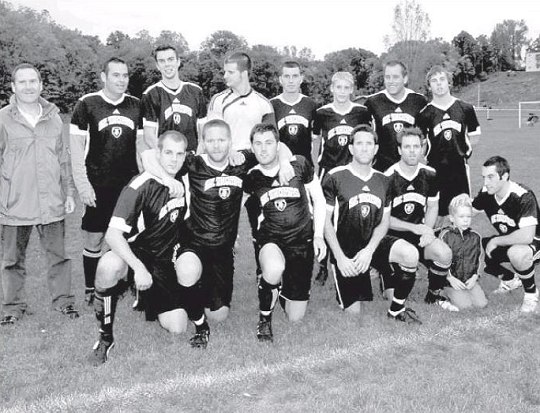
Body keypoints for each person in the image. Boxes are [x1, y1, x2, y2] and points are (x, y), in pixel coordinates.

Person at [141, 119, 293, 325]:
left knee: (218, 316)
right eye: (211, 140)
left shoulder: (241, 161)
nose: (216, 145)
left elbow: (281, 146)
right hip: (194, 244)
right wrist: (166, 179)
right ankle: (170, 295)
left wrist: (284, 164)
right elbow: (147, 155)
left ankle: (194, 294)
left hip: (223, 249)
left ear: (230, 142)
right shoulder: (194, 163)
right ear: (203, 142)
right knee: (186, 278)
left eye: (221, 140)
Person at [89, 131, 205, 365]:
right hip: (137, 253)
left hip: (164, 258)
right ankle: (105, 336)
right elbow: (112, 235)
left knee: (178, 327)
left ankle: (144, 295)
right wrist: (139, 268)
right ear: (159, 153)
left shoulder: (184, 173)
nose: (174, 159)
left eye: (179, 154)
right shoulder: (139, 186)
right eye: (168, 153)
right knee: (109, 266)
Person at [0, 63, 78, 325]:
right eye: (22, 82)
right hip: (14, 203)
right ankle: (12, 307)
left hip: (51, 202)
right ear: (13, 87)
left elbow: (63, 160)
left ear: (41, 85)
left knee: (59, 256)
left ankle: (64, 302)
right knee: (12, 260)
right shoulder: (3, 119)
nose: (28, 86)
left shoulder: (54, 118)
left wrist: (68, 192)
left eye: (33, 81)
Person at [322, 124, 421, 323]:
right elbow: (325, 222)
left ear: (376, 149)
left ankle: (396, 310)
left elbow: (384, 222)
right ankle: (350, 280)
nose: (364, 148)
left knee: (411, 254)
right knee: (354, 313)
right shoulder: (334, 177)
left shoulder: (384, 180)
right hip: (346, 249)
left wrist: (369, 250)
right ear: (351, 148)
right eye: (359, 143)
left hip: (372, 245)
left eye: (369, 144)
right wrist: (340, 258)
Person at [244, 124, 326, 342]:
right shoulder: (250, 177)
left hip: (301, 242)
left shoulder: (299, 165)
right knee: (274, 267)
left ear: (278, 145)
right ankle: (264, 319)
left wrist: (318, 235)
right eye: (258, 144)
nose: (263, 149)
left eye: (269, 143)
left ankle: (276, 286)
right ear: (251, 147)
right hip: (271, 240)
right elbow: (233, 208)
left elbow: (318, 200)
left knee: (295, 317)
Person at [70, 57, 141, 306]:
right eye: (116, 75)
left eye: (125, 75)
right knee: (94, 239)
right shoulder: (87, 104)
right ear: (103, 76)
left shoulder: (135, 105)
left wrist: (143, 183)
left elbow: (140, 147)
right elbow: (76, 151)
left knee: (126, 238)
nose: (121, 80)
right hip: (97, 186)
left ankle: (122, 284)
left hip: (127, 188)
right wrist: (83, 185)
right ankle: (92, 288)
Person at [383, 127, 456, 311]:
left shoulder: (430, 174)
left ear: (422, 148)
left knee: (444, 254)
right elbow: (383, 220)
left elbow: (432, 206)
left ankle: (433, 294)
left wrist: (428, 230)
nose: (412, 151)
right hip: (391, 237)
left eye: (416, 146)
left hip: (418, 232)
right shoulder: (386, 178)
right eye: (407, 147)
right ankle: (388, 273)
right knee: (391, 295)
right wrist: (414, 228)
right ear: (399, 150)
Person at [312, 71, 371, 285]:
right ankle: (323, 264)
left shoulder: (361, 112)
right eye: (339, 87)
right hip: (327, 172)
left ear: (352, 89)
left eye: (347, 88)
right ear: (331, 88)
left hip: (351, 173)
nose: (343, 92)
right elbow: (315, 140)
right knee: (323, 217)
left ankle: (350, 259)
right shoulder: (322, 113)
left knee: (349, 218)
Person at [472, 156, 539, 312]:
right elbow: (470, 212)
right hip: (511, 241)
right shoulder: (486, 193)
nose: (485, 182)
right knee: (476, 246)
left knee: (516, 253)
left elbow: (527, 236)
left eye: (490, 177)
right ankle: (510, 280)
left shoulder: (522, 195)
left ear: (504, 176)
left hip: (535, 241)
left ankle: (531, 294)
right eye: (484, 177)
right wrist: (459, 202)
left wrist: (496, 241)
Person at [417, 65, 481, 217]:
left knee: (462, 214)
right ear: (429, 86)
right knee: (436, 216)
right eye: (434, 81)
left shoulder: (466, 108)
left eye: (442, 79)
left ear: (449, 82)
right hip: (435, 170)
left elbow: (475, 136)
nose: (438, 83)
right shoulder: (424, 114)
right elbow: (421, 145)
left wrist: (462, 153)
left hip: (459, 170)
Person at [141, 45, 207, 152]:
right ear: (157, 66)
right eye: (162, 61)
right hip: (166, 161)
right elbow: (149, 135)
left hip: (193, 157)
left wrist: (199, 153)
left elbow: (203, 129)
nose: (167, 64)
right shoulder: (150, 94)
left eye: (170, 59)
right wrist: (165, 156)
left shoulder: (196, 91)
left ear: (178, 62)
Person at [365, 60, 427, 172]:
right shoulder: (373, 102)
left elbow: (425, 139)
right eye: (387, 77)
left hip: (411, 170)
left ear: (405, 78)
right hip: (382, 170)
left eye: (395, 77)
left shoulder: (419, 101)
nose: (391, 81)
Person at [207, 52, 276, 151]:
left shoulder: (264, 103)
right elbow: (213, 136)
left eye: (230, 72)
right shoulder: (218, 100)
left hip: (254, 160)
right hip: (227, 159)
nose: (225, 76)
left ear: (244, 74)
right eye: (225, 72)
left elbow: (272, 140)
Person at [439, 194, 487, 310]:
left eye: (468, 216)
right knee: (465, 305)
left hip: (469, 280)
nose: (466, 220)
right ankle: (441, 294)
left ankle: (468, 291)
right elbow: (438, 262)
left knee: (481, 304)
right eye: (461, 217)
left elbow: (480, 259)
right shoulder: (445, 236)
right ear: (452, 218)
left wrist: (475, 276)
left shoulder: (476, 237)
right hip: (450, 281)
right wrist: (450, 278)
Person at [270, 61, 318, 165]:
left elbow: (316, 137)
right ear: (280, 79)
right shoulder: (271, 105)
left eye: (295, 76)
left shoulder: (311, 104)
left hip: (305, 166)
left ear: (301, 79)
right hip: (279, 166)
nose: (291, 81)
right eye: (287, 76)